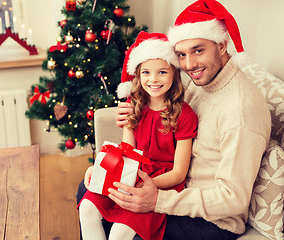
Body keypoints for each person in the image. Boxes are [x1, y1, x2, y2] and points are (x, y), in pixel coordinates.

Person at [101, 0, 272, 239]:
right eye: (181, 55)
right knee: (91, 193)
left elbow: (233, 199)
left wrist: (157, 200)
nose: (189, 65)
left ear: (222, 45)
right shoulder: (204, 82)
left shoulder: (241, 110)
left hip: (210, 221)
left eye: (198, 50)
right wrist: (135, 114)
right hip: (174, 188)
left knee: (122, 226)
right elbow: (168, 118)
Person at [78, 31, 198, 240]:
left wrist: (144, 186)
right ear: (138, 75)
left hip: (161, 183)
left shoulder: (185, 115)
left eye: (162, 72)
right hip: (131, 173)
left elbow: (179, 173)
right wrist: (100, 169)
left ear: (174, 74)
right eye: (146, 73)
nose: (153, 79)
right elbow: (126, 152)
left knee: (120, 232)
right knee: (87, 208)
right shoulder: (134, 107)